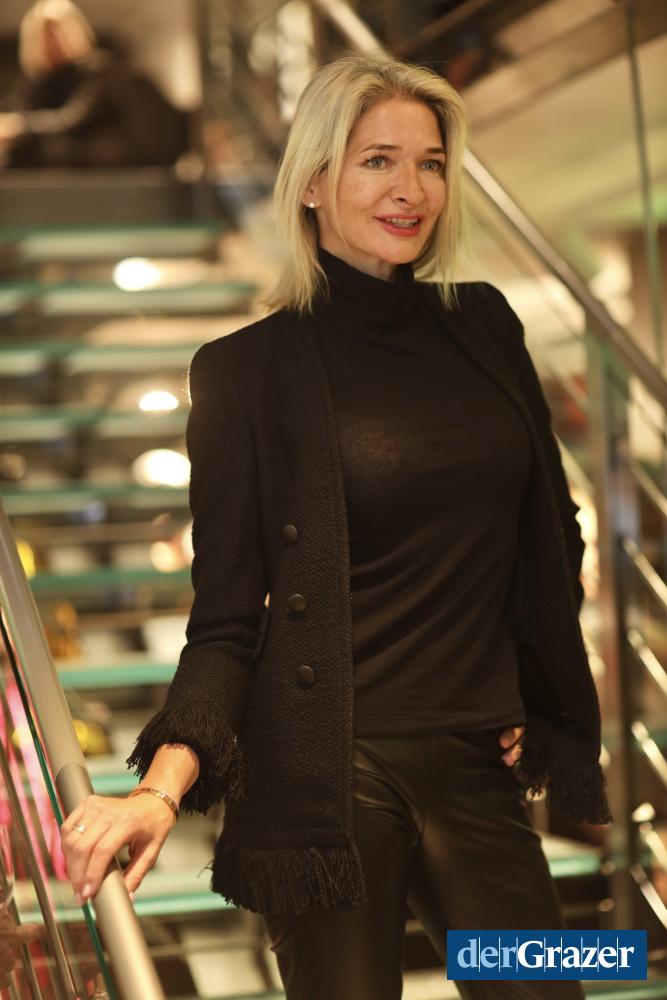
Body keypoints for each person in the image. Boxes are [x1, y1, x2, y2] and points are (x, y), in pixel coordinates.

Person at [60, 51, 612, 999]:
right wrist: (159, 789)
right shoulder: (243, 371)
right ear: (313, 181)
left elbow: (551, 529)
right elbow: (226, 621)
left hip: (477, 766)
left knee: (545, 986)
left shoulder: (485, 325)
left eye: (430, 163)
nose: (411, 190)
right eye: (377, 161)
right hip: (327, 779)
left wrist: (535, 686)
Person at [0, 0, 188, 169]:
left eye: (59, 31)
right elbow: (21, 109)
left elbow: (75, 118)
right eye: (48, 34)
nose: (55, 41)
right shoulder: (39, 83)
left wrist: (21, 126)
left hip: (105, 170)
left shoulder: (99, 71)